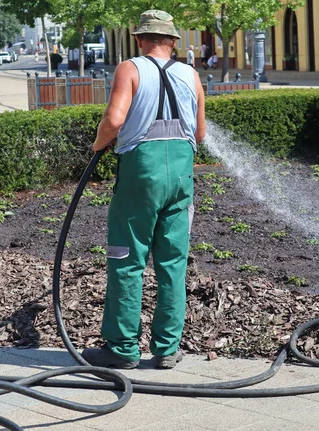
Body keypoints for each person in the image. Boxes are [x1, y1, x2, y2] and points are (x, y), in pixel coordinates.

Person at [82, 9, 206, 370]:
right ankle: (167, 349)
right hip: (181, 175)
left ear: (139, 39)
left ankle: (122, 349)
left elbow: (114, 120)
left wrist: (97, 145)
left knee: (127, 259)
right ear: (172, 41)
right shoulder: (191, 74)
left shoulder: (130, 68)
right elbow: (199, 133)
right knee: (172, 261)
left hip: (141, 175)